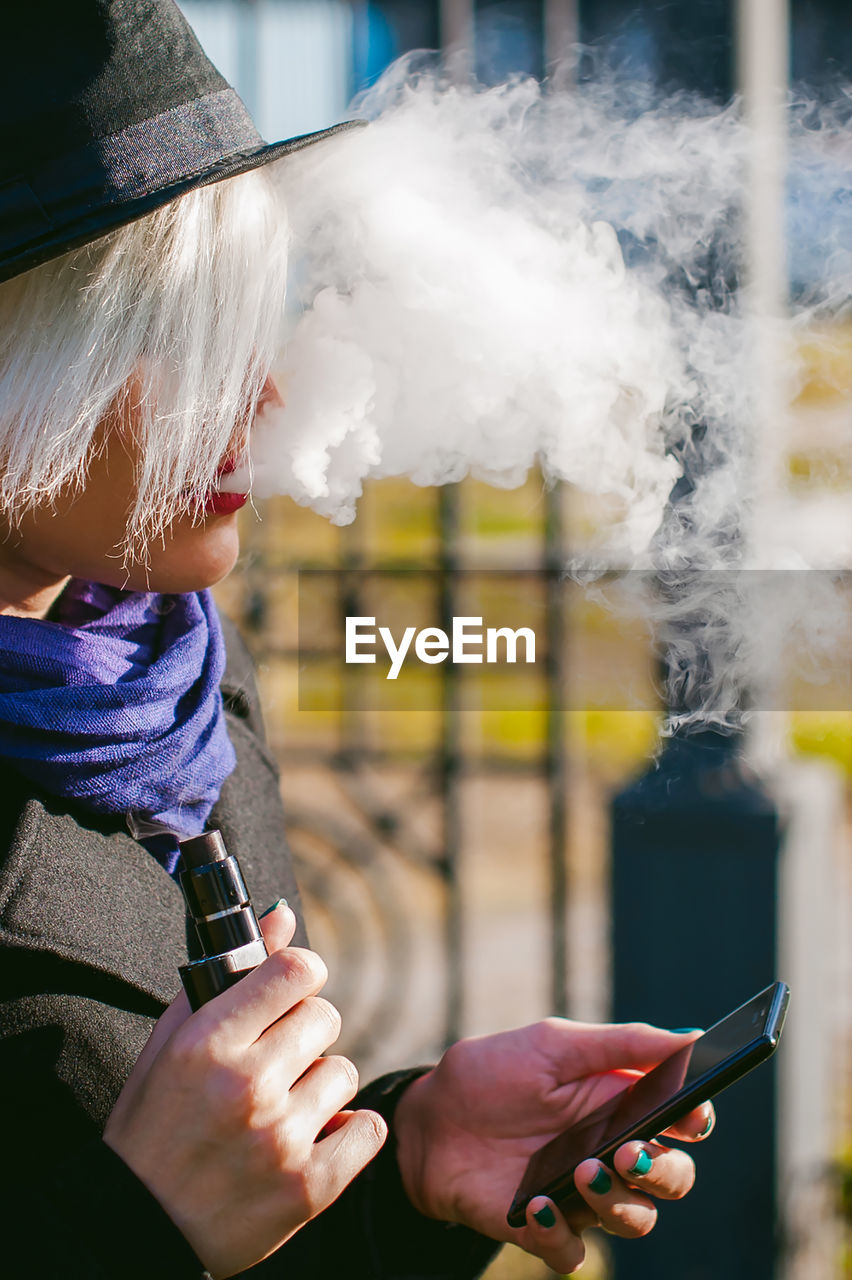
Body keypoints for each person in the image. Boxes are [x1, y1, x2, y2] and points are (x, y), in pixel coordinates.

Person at [0, 3, 715, 1277]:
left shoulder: (171, 669)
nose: (264, 396)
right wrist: (135, 1227)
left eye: (249, 323)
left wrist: (407, 1152)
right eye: (182, 340)